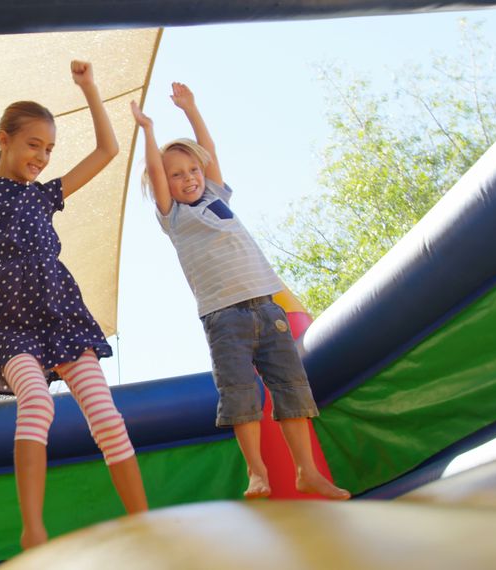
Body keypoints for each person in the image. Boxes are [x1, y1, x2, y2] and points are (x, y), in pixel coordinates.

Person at [0, 49, 149, 549]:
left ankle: (142, 519)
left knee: (105, 412)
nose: (42, 157)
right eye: (33, 145)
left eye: (49, 149)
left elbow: (107, 151)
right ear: (3, 140)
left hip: (60, 312)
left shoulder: (46, 195)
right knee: (36, 401)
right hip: (9, 321)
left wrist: (90, 90)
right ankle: (34, 531)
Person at [131, 82, 350, 501]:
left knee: (291, 389)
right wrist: (148, 131)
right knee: (240, 395)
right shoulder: (173, 216)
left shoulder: (216, 193)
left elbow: (207, 148)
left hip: (268, 308)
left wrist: (192, 109)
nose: (188, 178)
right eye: (177, 175)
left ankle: (307, 471)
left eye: (192, 170)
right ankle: (257, 473)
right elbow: (157, 171)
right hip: (223, 316)